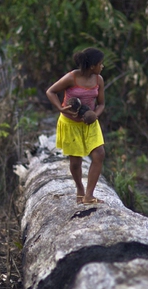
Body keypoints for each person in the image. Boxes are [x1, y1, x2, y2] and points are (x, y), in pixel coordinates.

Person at [45, 47, 106, 205]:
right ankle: (80, 190)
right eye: (100, 64)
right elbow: (50, 92)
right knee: (75, 162)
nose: (102, 67)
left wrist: (95, 115)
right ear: (92, 65)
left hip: (90, 123)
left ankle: (89, 195)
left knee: (99, 154)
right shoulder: (71, 77)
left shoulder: (98, 79)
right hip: (70, 123)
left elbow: (101, 104)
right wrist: (59, 107)